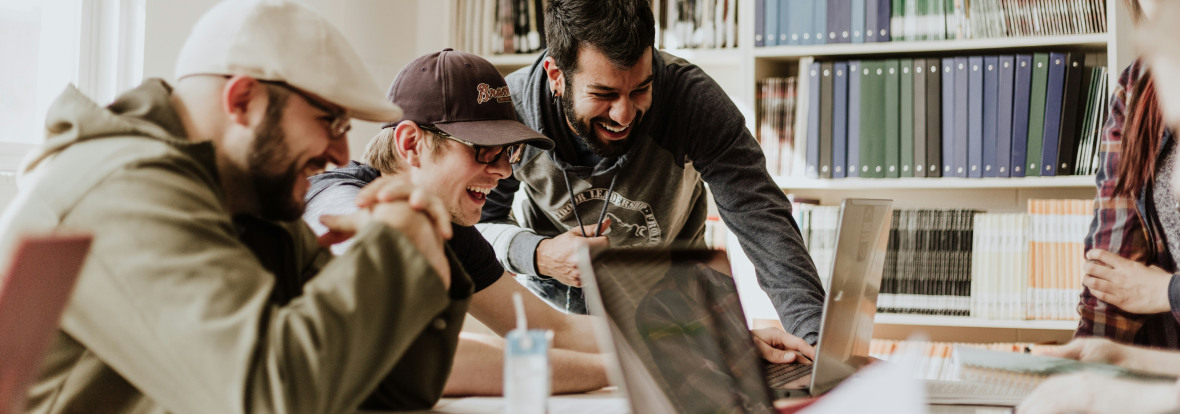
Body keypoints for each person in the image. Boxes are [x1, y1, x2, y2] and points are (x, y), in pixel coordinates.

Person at [0, 1, 471, 412]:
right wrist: (392, 247)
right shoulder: (123, 189)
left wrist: (422, 247)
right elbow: (271, 397)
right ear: (243, 100)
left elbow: (392, 389)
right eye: (330, 121)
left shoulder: (250, 199)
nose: (342, 154)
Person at [303, 49, 814, 396]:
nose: (504, 171)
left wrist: (712, 341)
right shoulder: (340, 202)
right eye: (483, 150)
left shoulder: (451, 229)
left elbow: (551, 328)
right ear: (411, 143)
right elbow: (425, 357)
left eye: (508, 153)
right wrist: (651, 365)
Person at [476, 0, 825, 346]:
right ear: (556, 76)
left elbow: (762, 217)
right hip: (557, 317)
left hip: (677, 312)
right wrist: (538, 254)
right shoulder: (511, 110)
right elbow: (477, 225)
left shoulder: (691, 100)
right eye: (603, 94)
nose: (624, 115)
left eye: (640, 89)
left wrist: (814, 340)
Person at [1075, 0, 1180, 349]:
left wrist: (1166, 291)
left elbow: (1147, 290)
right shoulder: (1137, 84)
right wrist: (1088, 358)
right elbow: (1112, 274)